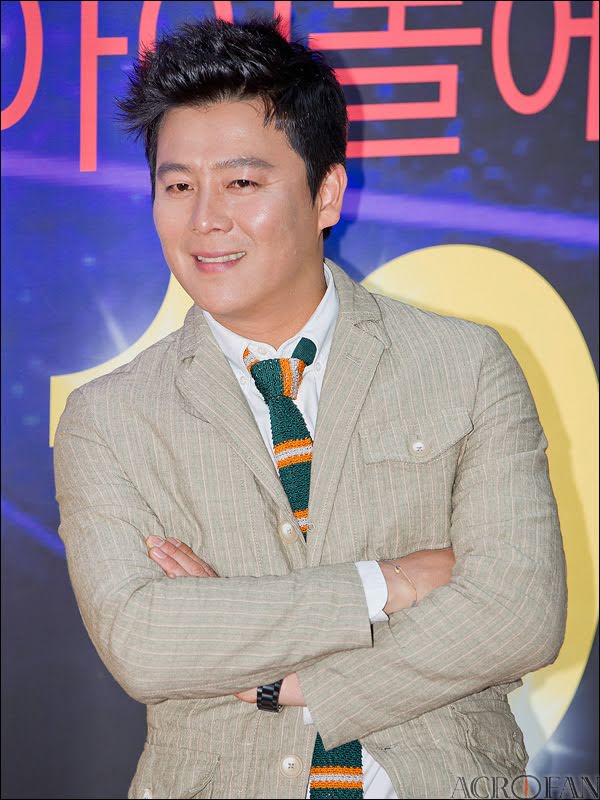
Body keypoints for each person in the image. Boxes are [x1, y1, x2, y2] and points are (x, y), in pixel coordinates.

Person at [53, 16, 567, 800]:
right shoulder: (110, 417)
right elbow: (145, 642)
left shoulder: (464, 364)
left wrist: (285, 679)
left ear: (325, 193)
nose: (205, 219)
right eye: (178, 186)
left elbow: (518, 612)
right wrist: (386, 585)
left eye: (242, 183)